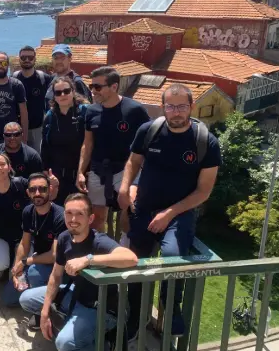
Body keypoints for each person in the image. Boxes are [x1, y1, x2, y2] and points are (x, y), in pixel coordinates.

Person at [119, 84, 221, 337]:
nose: (176, 112)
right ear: (163, 107)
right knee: (136, 265)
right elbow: (133, 161)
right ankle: (136, 314)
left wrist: (169, 213)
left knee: (174, 259)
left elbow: (203, 191)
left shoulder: (205, 141)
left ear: (191, 107)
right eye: (171, 106)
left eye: (182, 106)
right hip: (142, 209)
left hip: (180, 214)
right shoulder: (149, 131)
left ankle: (169, 310)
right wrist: (126, 188)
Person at [19, 193, 137, 351]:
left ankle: (104, 347)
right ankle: (73, 324)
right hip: (77, 294)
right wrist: (44, 312)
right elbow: (56, 275)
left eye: (79, 214)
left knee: (65, 346)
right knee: (26, 298)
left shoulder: (98, 241)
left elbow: (131, 258)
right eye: (69, 213)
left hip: (101, 307)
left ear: (90, 218)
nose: (73, 219)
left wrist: (89, 259)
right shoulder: (65, 237)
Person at [76, 66, 150, 230]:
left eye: (97, 87)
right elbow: (87, 144)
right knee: (97, 218)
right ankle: (100, 251)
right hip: (98, 170)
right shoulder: (91, 111)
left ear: (114, 87)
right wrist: (80, 172)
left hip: (125, 170)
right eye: (91, 86)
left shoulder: (134, 110)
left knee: (128, 215)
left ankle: (126, 250)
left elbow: (147, 141)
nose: (93, 91)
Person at [2, 173, 66, 309]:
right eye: (33, 190)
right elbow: (24, 244)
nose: (37, 193)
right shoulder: (28, 211)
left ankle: (42, 310)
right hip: (39, 259)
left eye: (42, 189)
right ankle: (35, 291)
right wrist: (16, 270)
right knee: (7, 298)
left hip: (60, 266)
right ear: (28, 192)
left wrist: (26, 262)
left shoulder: (60, 216)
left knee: (33, 272)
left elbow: (54, 255)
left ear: (50, 190)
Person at [42, 76, 89, 202]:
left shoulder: (85, 112)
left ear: (73, 91)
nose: (63, 95)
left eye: (66, 91)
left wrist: (84, 172)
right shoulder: (50, 116)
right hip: (57, 177)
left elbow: (91, 143)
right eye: (58, 92)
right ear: (54, 96)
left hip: (81, 175)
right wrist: (46, 173)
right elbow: (45, 147)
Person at [12, 46, 52, 153]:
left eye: (30, 57)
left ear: (35, 59)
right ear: (19, 59)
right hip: (16, 130)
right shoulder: (14, 79)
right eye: (23, 57)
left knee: (37, 158)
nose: (27, 60)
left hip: (37, 129)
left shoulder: (44, 79)